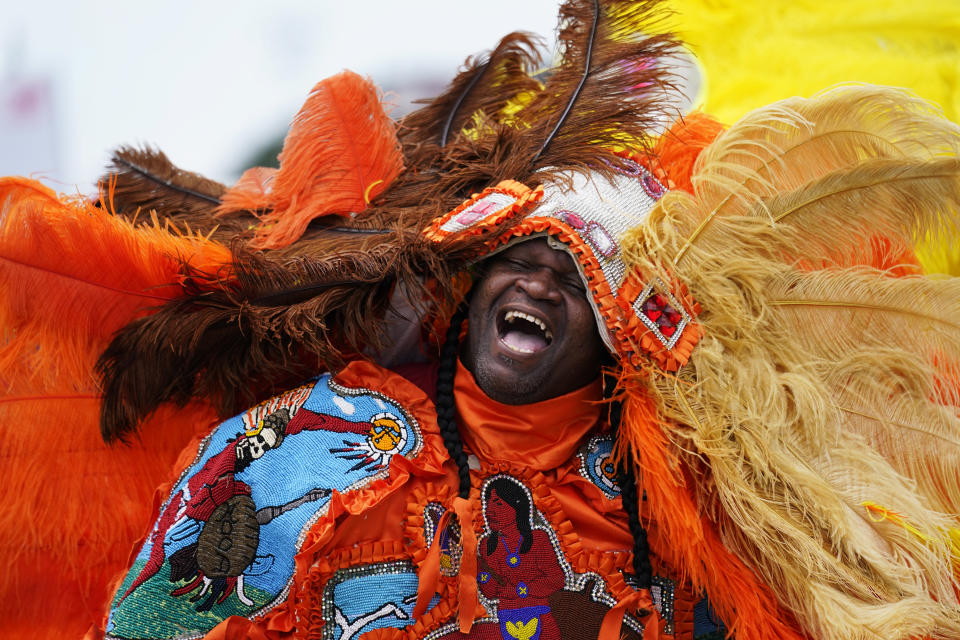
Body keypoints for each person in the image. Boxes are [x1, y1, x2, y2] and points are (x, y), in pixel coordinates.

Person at [2, 2, 960, 640]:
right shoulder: (302, 443)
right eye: (518, 261)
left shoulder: (677, 507)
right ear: (466, 295)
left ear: (617, 329)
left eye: (574, 278)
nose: (540, 288)